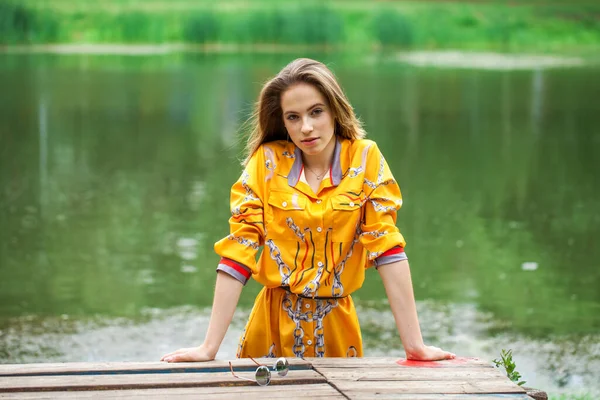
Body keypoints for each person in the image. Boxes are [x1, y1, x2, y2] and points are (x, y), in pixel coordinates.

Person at [161, 58, 455, 362]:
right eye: (293, 117)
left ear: (335, 108)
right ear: (283, 122)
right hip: (270, 326)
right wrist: (208, 348)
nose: (306, 127)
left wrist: (415, 346)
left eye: (316, 112)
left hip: (337, 330)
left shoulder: (365, 158)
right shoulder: (267, 162)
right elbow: (239, 251)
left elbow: (388, 250)